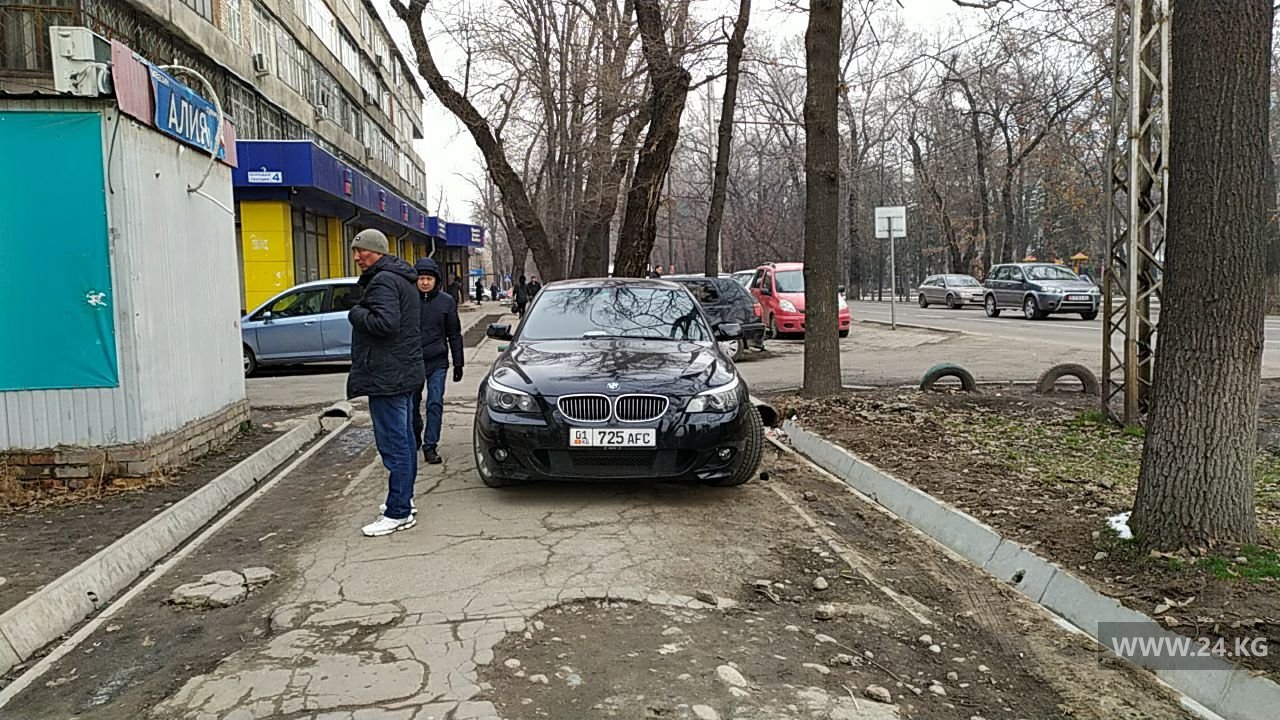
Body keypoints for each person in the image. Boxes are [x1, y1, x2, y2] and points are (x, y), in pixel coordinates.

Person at [347, 229, 425, 538]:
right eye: (355, 251)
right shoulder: (402, 278)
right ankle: (404, 500)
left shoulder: (383, 281)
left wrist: (356, 313)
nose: (357, 257)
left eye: (362, 251)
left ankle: (398, 512)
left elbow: (386, 323)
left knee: (394, 445)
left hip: (387, 376)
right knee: (404, 441)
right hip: (402, 372)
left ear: (377, 251)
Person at [411, 258, 464, 466]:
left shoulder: (446, 302)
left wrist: (458, 363)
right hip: (413, 361)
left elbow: (454, 334)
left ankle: (430, 445)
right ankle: (415, 433)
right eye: (421, 278)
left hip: (437, 361)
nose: (424, 282)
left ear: (436, 281)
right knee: (411, 404)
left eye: (429, 278)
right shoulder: (407, 300)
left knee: (435, 402)